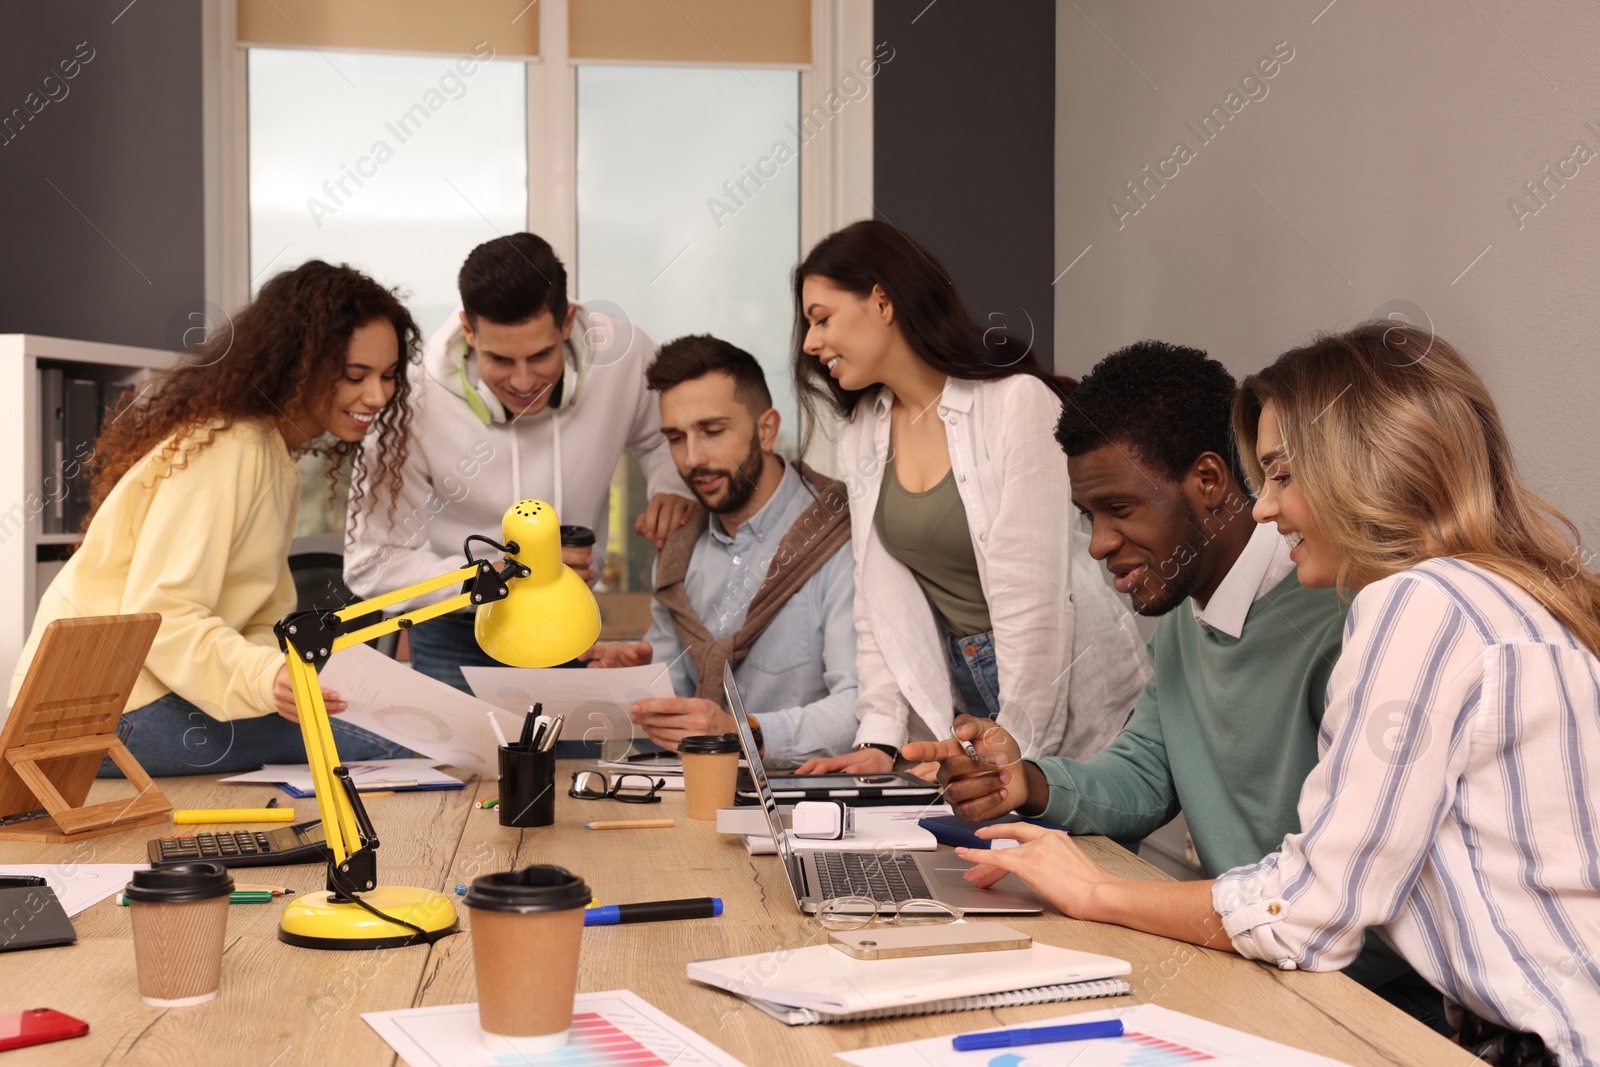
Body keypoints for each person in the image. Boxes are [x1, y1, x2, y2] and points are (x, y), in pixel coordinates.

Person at [932, 323, 1600, 1066]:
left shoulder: (1415, 606)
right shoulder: (1496, 595)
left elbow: (1310, 911)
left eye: (1282, 475)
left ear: (1360, 467)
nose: (1265, 506)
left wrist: (1097, 892)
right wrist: (1030, 782)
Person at [903, 341, 1443, 1028]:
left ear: (1210, 481)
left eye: (1119, 508)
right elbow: (1144, 776)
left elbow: (1339, 909)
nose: (1099, 543)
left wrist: (1104, 894)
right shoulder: (1189, 618)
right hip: (1250, 963)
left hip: (1363, 1004)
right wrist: (1027, 782)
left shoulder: (1349, 618)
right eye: (1087, 517)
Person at [8, 261, 416, 776]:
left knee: (388, 727)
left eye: (387, 376)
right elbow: (162, 617)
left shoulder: (269, 452)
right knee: (395, 739)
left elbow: (253, 619)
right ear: (298, 363)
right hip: (99, 713)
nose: (377, 396)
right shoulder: (232, 447)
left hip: (119, 703)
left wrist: (279, 671)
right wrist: (266, 676)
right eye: (356, 376)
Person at [789, 220, 1149, 774]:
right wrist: (878, 743)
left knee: (1070, 855)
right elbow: (877, 601)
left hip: (1065, 689)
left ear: (882, 301)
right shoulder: (863, 432)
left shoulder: (1016, 404)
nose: (811, 343)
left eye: (822, 318)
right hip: (961, 690)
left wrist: (1011, 747)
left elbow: (1037, 603)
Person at [344, 233, 693, 691]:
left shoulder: (623, 354)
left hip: (571, 620)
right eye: (501, 359)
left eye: (541, 355)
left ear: (567, 321)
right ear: (469, 331)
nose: (524, 380)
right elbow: (371, 561)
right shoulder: (411, 401)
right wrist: (496, 576)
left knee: (576, 765)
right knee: (465, 765)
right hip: (458, 629)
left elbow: (664, 432)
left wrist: (672, 484)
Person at [580, 335, 858, 766]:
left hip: (809, 807)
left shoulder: (839, 538)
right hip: (692, 798)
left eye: (711, 432)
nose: (691, 459)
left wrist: (742, 733)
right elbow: (674, 691)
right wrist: (631, 685)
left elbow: (863, 706)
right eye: (675, 437)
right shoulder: (679, 549)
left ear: (766, 430)